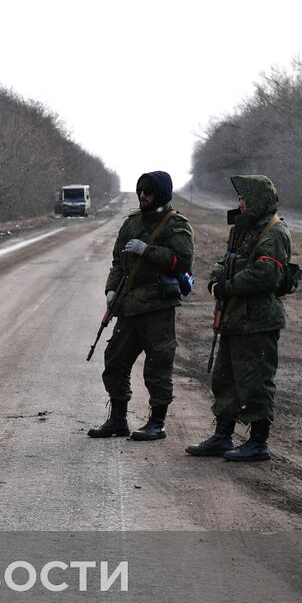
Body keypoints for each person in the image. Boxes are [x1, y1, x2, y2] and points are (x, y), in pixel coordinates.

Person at [186, 174, 292, 462]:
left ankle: (258, 443)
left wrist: (228, 287)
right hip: (236, 319)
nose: (240, 203)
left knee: (256, 382)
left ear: (257, 200)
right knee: (226, 380)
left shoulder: (274, 232)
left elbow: (266, 274)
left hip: (258, 321)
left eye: (244, 198)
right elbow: (227, 261)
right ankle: (222, 437)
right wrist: (215, 282)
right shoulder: (245, 230)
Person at [87, 171, 195, 441]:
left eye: (148, 191)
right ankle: (118, 420)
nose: (143, 196)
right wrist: (111, 289)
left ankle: (157, 423)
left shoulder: (175, 225)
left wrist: (147, 250)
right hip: (129, 306)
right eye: (140, 191)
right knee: (115, 361)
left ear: (161, 193)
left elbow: (182, 260)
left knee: (158, 366)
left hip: (157, 307)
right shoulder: (132, 223)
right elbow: (118, 263)